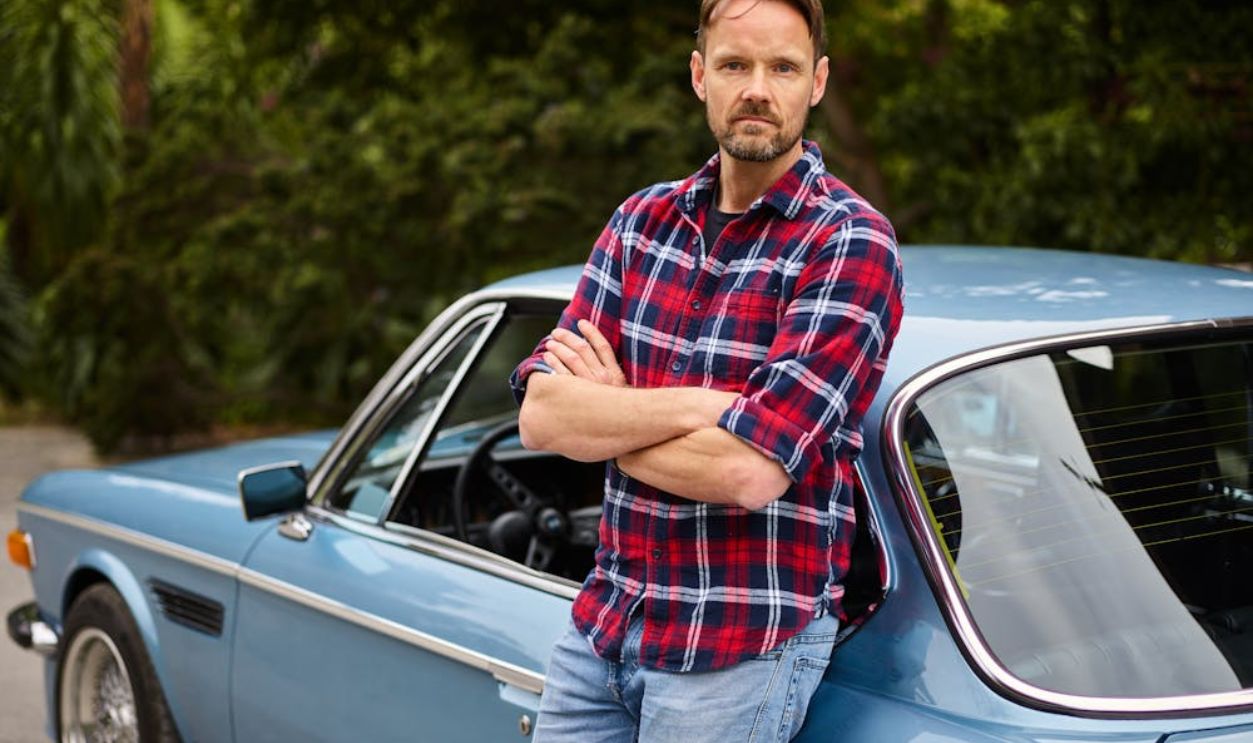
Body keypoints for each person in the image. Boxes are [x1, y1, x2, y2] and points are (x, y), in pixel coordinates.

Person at [509, 0, 904, 739]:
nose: (757, 87)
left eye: (781, 67)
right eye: (734, 65)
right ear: (699, 76)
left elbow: (747, 474)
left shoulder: (849, 243)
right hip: (604, 625)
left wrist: (612, 410)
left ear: (815, 83)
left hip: (739, 649)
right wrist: (702, 405)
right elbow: (541, 416)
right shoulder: (640, 222)